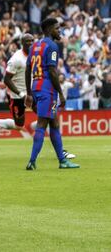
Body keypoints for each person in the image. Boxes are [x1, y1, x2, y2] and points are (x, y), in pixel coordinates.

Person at [0, 34, 76, 159]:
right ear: (22, 43)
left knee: (51, 119)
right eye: (27, 41)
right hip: (17, 96)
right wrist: (21, 94)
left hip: (33, 93)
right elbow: (6, 80)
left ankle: (60, 151)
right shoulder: (16, 59)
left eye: (32, 41)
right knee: (19, 125)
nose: (30, 43)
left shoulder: (36, 55)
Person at [24, 18, 80, 170]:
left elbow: (28, 69)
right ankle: (32, 161)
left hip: (36, 87)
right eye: (57, 28)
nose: (59, 30)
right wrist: (61, 94)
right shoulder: (52, 46)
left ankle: (62, 160)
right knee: (42, 123)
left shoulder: (35, 46)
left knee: (54, 123)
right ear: (49, 30)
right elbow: (53, 72)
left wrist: (29, 93)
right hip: (47, 89)